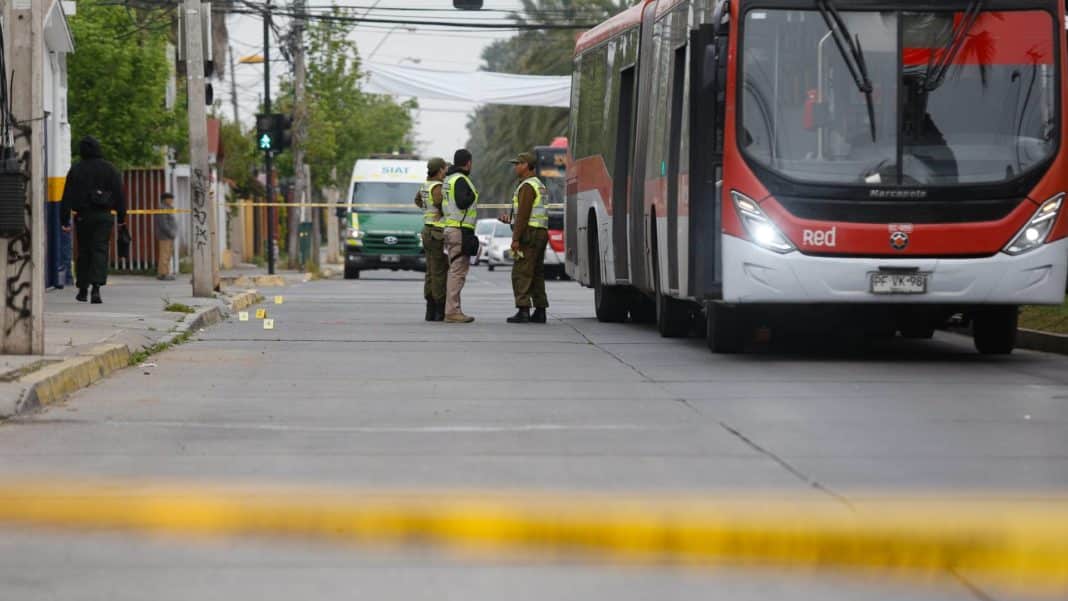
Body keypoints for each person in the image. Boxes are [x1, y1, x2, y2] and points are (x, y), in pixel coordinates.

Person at [60, 136, 126, 304]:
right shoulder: (110, 169)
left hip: (83, 216)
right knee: (100, 250)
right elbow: (119, 194)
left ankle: (83, 289)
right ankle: (96, 288)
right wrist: (121, 218)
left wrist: (64, 220)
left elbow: (66, 196)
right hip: (104, 216)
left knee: (84, 250)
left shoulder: (76, 169)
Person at [502, 152, 549, 324]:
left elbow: (523, 215)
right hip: (540, 232)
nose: (516, 167)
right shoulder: (538, 185)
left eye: (518, 164)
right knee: (536, 272)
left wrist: (515, 239)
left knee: (521, 272)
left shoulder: (527, 186)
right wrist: (510, 219)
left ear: (527, 166)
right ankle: (540, 310)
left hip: (529, 234)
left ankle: (523, 310)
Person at [441, 149, 479, 323]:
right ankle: (452, 311)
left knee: (454, 271)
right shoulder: (461, 180)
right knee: (457, 273)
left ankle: (453, 309)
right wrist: (473, 195)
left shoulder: (448, 179)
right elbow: (462, 202)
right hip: (460, 230)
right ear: (468, 162)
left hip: (451, 227)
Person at [414, 157, 448, 321]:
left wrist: (428, 209)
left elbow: (418, 201)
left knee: (430, 271)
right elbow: (442, 204)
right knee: (439, 271)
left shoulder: (425, 185)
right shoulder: (437, 187)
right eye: (445, 169)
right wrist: (443, 211)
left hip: (427, 229)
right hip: (437, 232)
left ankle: (430, 308)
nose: (446, 172)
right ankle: (439, 309)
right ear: (440, 170)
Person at [155, 192, 178, 281]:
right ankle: (162, 274)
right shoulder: (162, 209)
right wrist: (170, 233)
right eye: (170, 199)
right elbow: (163, 224)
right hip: (165, 236)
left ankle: (166, 272)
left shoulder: (168, 208)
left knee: (168, 255)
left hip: (169, 236)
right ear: (165, 199)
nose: (172, 201)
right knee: (164, 255)